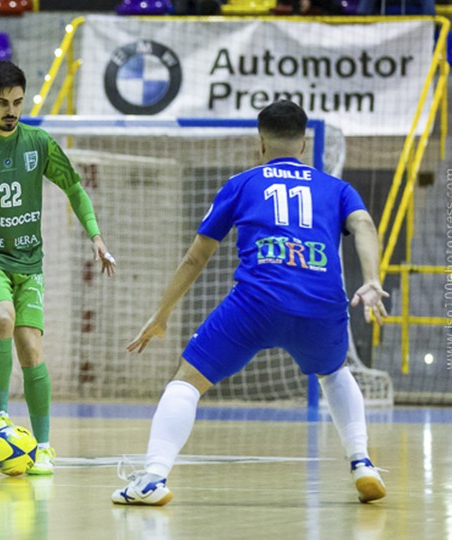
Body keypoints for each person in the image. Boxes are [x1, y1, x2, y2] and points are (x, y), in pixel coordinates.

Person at [113, 100, 388, 506]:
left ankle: (153, 478)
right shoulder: (336, 188)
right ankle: (362, 462)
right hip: (321, 303)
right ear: (304, 143)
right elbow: (363, 223)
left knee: (186, 382)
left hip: (257, 302)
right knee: (333, 373)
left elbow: (195, 258)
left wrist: (161, 315)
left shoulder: (242, 184)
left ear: (260, 142)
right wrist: (372, 280)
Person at [0, 60, 118, 475]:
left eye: (17, 101)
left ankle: (44, 447)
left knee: (31, 350)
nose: (11, 110)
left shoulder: (39, 143)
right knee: (1, 319)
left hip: (29, 261)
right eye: (2, 103)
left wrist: (96, 236)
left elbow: (74, 188)